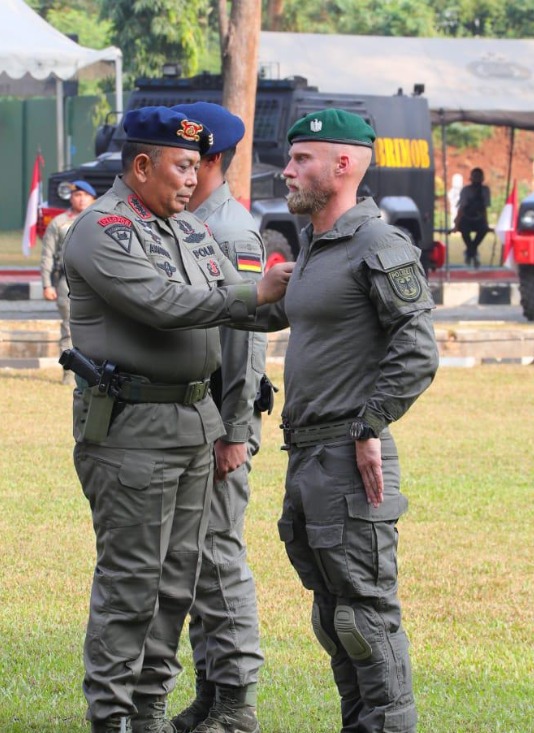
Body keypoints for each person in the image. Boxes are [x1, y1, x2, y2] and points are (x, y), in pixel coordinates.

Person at [61, 105, 292, 733]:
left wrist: (312, 288)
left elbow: (239, 309)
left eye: (197, 167)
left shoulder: (186, 229)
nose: (194, 179)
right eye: (182, 166)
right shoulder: (103, 230)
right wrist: (258, 293)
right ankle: (112, 719)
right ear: (142, 165)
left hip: (193, 427)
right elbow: (166, 304)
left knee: (175, 587)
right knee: (131, 585)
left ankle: (151, 710)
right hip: (133, 434)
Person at [260, 109, 439, 733]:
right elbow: (272, 318)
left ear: (343, 165)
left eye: (301, 158)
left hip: (348, 455)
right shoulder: (315, 246)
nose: (287, 170)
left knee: (365, 613)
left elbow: (417, 348)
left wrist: (370, 426)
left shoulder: (379, 245)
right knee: (333, 612)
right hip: (307, 454)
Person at [167, 102, 268, 733]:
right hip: (194, 420)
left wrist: (235, 431)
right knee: (193, 563)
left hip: (222, 422)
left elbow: (246, 341)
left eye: (185, 159)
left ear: (208, 161)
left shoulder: (230, 231)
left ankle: (236, 706)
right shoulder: (189, 222)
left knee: (218, 558)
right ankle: (209, 692)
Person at [39, 179, 96, 384]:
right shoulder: (59, 222)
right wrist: (47, 284)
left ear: (93, 198)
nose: (80, 199)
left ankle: (95, 372)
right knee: (69, 328)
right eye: (76, 195)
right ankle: (69, 374)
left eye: (84, 195)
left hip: (98, 282)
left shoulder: (100, 219)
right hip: (68, 282)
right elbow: (47, 255)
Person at [453, 166, 491, 268]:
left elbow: (484, 209)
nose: (477, 179)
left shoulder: (485, 190)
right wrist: (456, 224)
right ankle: (472, 252)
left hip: (479, 218)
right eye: (475, 176)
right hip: (467, 218)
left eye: (479, 176)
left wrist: (486, 223)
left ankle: (471, 251)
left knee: (483, 230)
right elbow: (461, 207)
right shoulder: (466, 190)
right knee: (464, 230)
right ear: (471, 178)